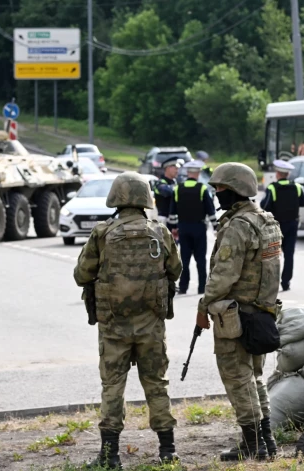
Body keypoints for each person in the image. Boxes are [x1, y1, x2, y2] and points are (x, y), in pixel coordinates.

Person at [73, 171, 183, 469]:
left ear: (116, 198)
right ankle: (167, 450)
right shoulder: (159, 232)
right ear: (146, 199)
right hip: (151, 325)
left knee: (113, 387)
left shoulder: (102, 233)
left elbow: (81, 274)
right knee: (157, 384)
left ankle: (110, 455)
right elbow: (176, 270)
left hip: (113, 327)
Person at [195, 162, 283, 461]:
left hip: (237, 315)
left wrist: (204, 305)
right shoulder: (266, 220)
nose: (217, 193)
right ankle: (266, 441)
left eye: (220, 188)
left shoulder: (237, 226)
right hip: (262, 313)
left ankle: (255, 444)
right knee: (254, 377)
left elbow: (224, 275)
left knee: (237, 377)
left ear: (234, 190)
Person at [167, 160, 218, 295]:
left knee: (184, 259)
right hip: (199, 228)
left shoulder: (178, 188)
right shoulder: (202, 189)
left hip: (183, 228)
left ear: (188, 173)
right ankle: (202, 288)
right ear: (198, 173)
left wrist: (173, 228)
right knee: (200, 259)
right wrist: (216, 227)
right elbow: (210, 210)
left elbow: (172, 211)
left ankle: (183, 287)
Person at [260, 159, 304, 291]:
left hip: (276, 226)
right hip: (292, 224)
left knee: (273, 255)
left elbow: (264, 206)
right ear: (287, 174)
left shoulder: (272, 188)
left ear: (278, 174)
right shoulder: (297, 187)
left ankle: (273, 282)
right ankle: (286, 282)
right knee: (289, 254)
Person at [154, 157, 181, 226]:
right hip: (163, 220)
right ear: (168, 168)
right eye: (176, 168)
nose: (177, 171)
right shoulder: (160, 183)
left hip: (174, 219)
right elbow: (168, 192)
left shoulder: (175, 183)